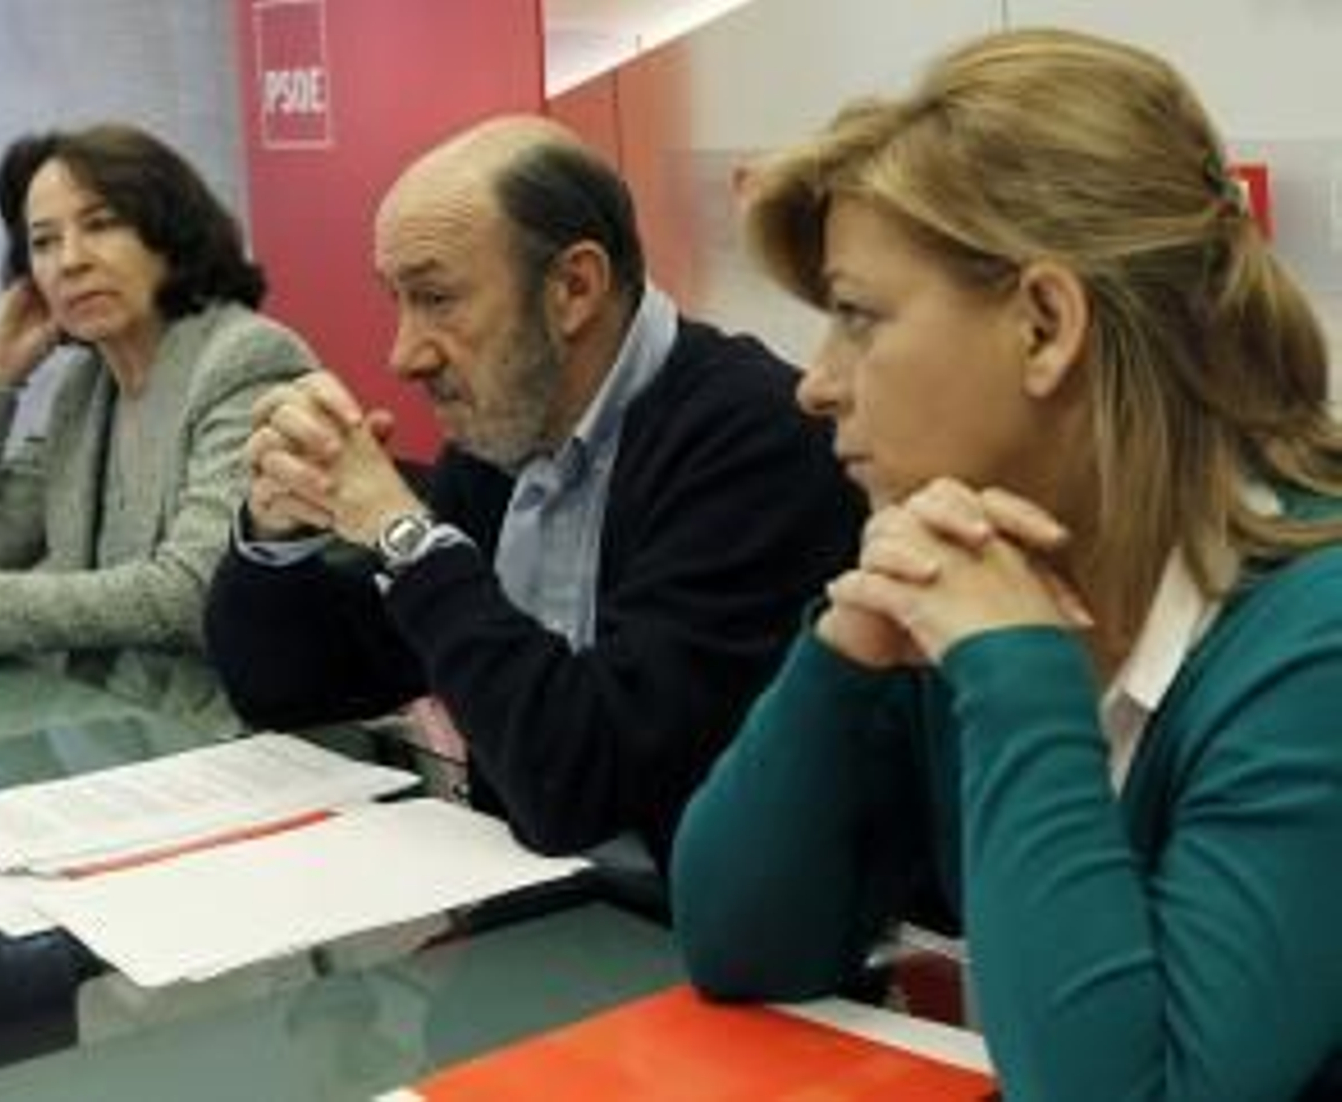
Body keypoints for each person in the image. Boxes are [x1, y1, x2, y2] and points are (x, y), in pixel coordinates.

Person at [671, 27, 1342, 1101]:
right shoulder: (968, 569)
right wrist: (841, 660)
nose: (815, 384)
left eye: (856, 316)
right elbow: (741, 945)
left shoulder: (1316, 638)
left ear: (1043, 323)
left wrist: (1017, 676)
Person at [204, 115, 862, 869]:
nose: (403, 354)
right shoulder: (504, 435)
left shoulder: (757, 440)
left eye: (437, 298)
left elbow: (582, 787)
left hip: (694, 945)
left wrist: (405, 537)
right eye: (397, 299)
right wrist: (275, 536)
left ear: (574, 288)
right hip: (547, 914)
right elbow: (295, 689)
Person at [0, 123, 317, 725]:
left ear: (170, 234)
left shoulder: (246, 361)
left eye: (101, 224)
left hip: (232, 738)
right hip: (99, 729)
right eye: (43, 242)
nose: (70, 261)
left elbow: (191, 594)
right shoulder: (86, 387)